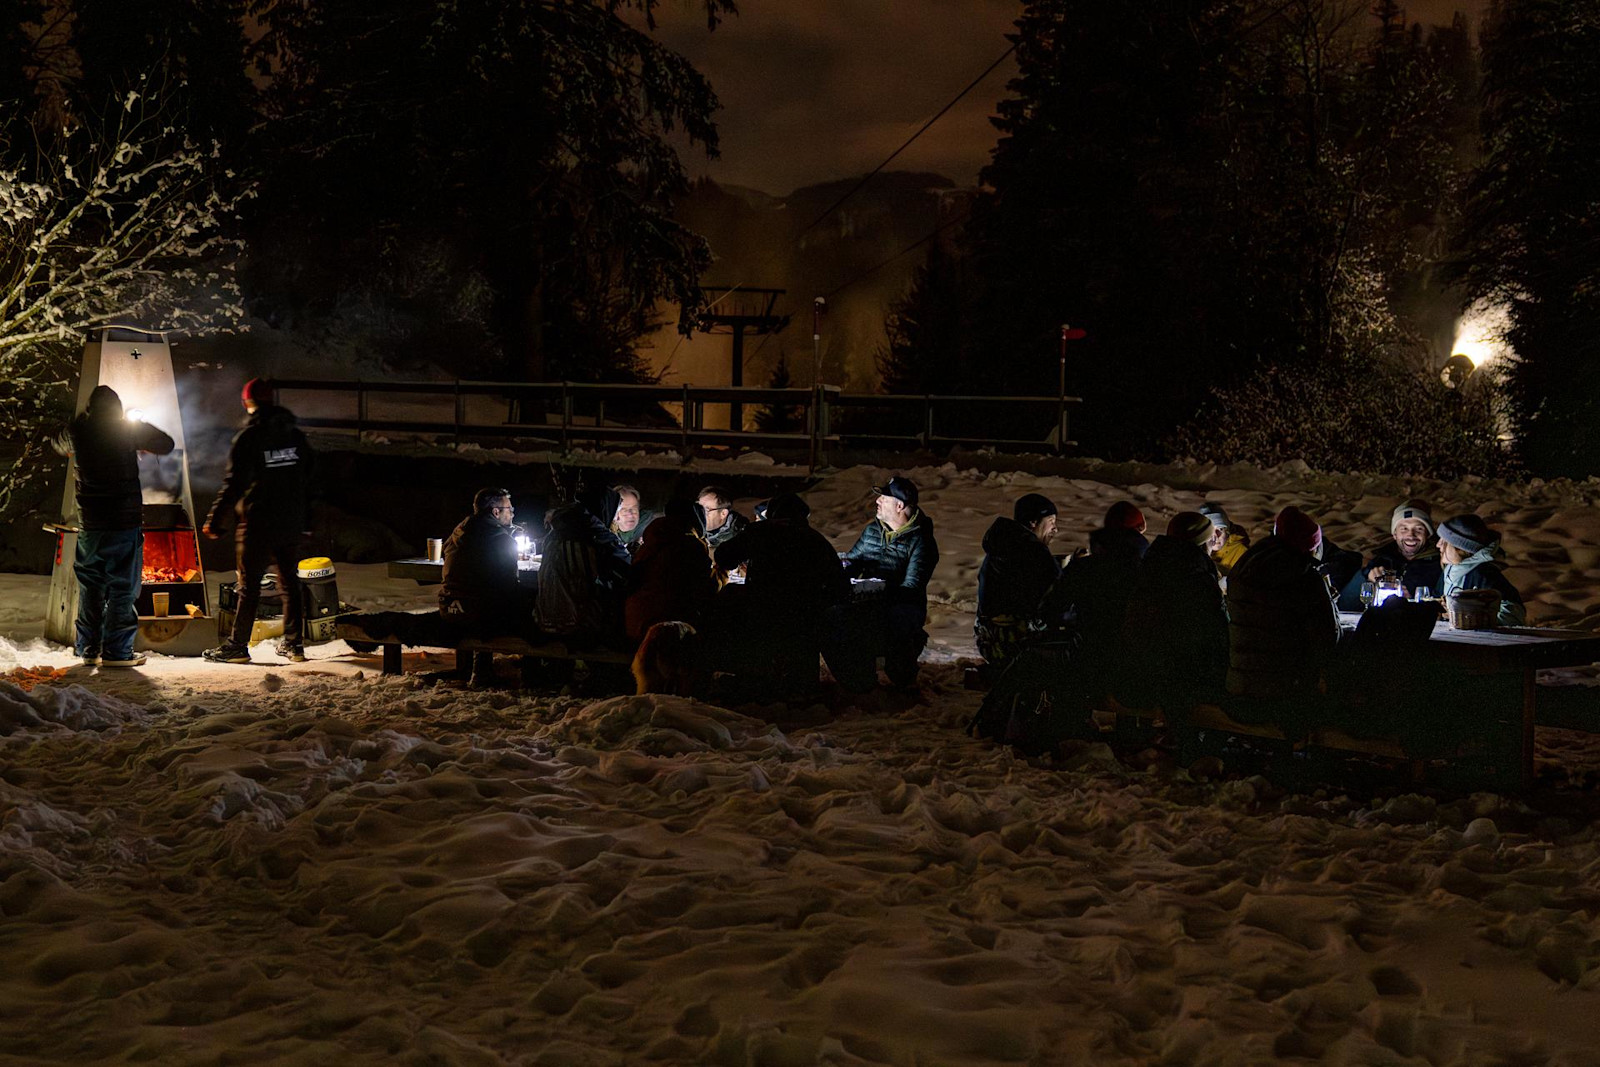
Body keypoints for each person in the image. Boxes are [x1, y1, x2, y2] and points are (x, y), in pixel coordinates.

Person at [57, 385, 175, 667]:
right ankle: (118, 652)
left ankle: (88, 649)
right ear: (118, 409)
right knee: (123, 588)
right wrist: (136, 428)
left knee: (91, 587)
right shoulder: (126, 430)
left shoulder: (79, 431)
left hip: (91, 525)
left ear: (90, 408)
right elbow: (167, 443)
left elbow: (57, 442)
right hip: (123, 523)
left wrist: (78, 426)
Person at [203, 379, 315, 664]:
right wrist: (307, 520)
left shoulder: (249, 437)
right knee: (289, 582)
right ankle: (295, 645)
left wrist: (216, 519)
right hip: (290, 520)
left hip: (259, 522)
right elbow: (309, 480)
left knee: (249, 585)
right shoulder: (295, 436)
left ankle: (237, 646)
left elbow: (234, 483)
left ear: (247, 403)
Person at [712, 492, 848, 687]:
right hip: (804, 618)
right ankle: (801, 687)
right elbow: (839, 585)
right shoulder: (814, 539)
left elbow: (723, 556)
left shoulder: (760, 532)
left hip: (762, 610)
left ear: (772, 513)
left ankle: (754, 680)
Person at [1224, 506, 1341, 724]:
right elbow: (1327, 639)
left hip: (1239, 692)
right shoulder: (1304, 578)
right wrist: (1329, 602)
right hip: (1284, 699)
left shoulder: (1242, 570)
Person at [824, 476, 940, 690]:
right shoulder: (872, 531)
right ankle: (859, 682)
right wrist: (841, 569)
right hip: (867, 602)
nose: (877, 501)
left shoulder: (921, 542)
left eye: (884, 498)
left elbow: (911, 588)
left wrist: (875, 590)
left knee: (886, 627)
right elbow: (853, 561)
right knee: (833, 620)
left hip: (902, 608)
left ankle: (902, 670)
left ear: (899, 506)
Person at [1117, 512, 1230, 712]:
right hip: (1179, 684)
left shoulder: (1148, 567)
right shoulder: (1196, 577)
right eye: (1210, 539)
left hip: (1137, 675)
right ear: (1201, 543)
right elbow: (1218, 631)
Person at [438, 487, 527, 685]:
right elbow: (509, 584)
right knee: (530, 604)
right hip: (480, 613)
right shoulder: (501, 540)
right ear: (496, 512)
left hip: (450, 608)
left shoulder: (457, 533)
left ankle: (479, 667)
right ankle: (533, 669)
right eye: (510, 509)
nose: (513, 514)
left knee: (481, 596)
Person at [535, 486, 632, 646]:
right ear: (604, 509)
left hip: (545, 620)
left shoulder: (554, 534)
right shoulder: (597, 535)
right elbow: (628, 571)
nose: (615, 519)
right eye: (615, 513)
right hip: (581, 626)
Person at [974, 493, 1061, 666]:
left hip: (987, 641)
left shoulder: (1001, 545)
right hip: (1014, 646)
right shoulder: (1033, 550)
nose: (1055, 529)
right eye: (1051, 521)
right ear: (1033, 522)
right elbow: (1057, 594)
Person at [624, 499, 717, 643]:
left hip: (635, 623)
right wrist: (722, 572)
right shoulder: (691, 546)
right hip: (667, 629)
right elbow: (707, 589)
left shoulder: (651, 543)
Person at [1339, 500, 1444, 609]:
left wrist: (1411, 601)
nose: (1411, 535)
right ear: (1395, 534)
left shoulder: (1440, 565)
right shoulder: (1381, 561)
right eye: (1404, 529)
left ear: (1428, 534)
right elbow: (1344, 605)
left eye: (1419, 529)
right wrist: (1366, 579)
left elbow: (1444, 605)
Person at [1437, 513, 1526, 626]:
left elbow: (1513, 615)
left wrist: (1468, 617)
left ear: (1460, 548)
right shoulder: (1450, 569)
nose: (1438, 545)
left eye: (1444, 541)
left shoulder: (1484, 574)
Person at [1198, 502, 1249, 578]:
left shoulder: (1240, 552)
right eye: (1210, 530)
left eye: (1220, 529)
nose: (1215, 536)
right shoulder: (1193, 550)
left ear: (1227, 531)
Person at [697, 485, 748, 549]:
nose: (700, 514)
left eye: (706, 510)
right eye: (698, 508)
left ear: (723, 513)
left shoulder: (741, 539)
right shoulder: (692, 532)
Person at [610, 484, 655, 554]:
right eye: (624, 510)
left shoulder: (651, 528)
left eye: (634, 509)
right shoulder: (605, 535)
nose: (630, 514)